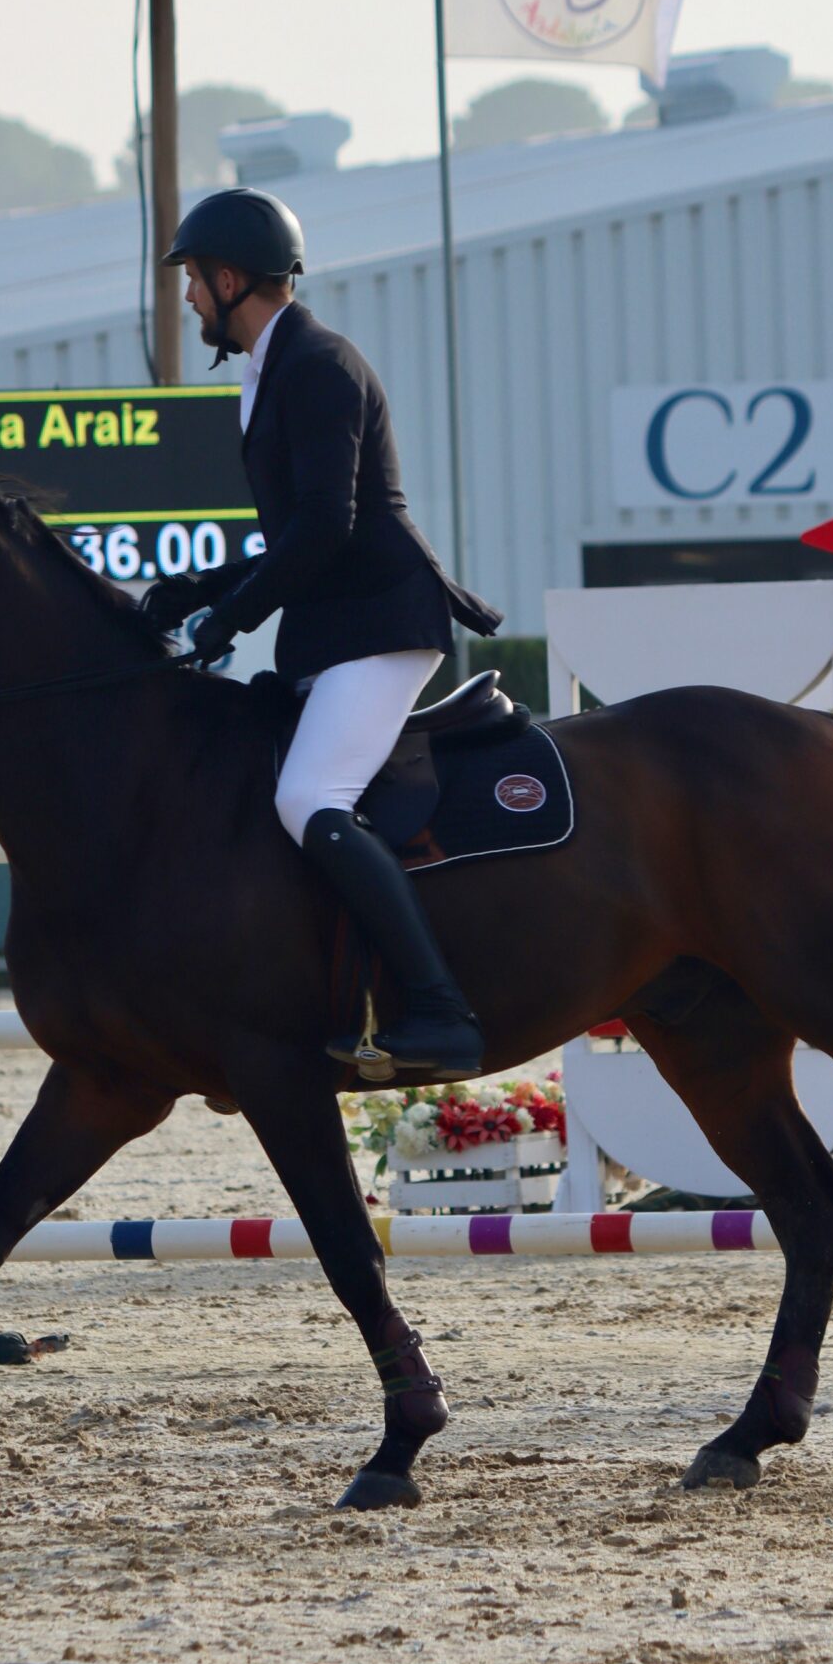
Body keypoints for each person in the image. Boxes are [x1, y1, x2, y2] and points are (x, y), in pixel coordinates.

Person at [141, 186, 502, 1078]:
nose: (186, 297)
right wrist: (201, 586)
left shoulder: (320, 365)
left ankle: (438, 1010)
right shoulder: (271, 369)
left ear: (229, 278)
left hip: (383, 620)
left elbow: (326, 529)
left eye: (192, 278)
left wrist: (230, 614)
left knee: (309, 797)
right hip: (338, 623)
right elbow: (294, 533)